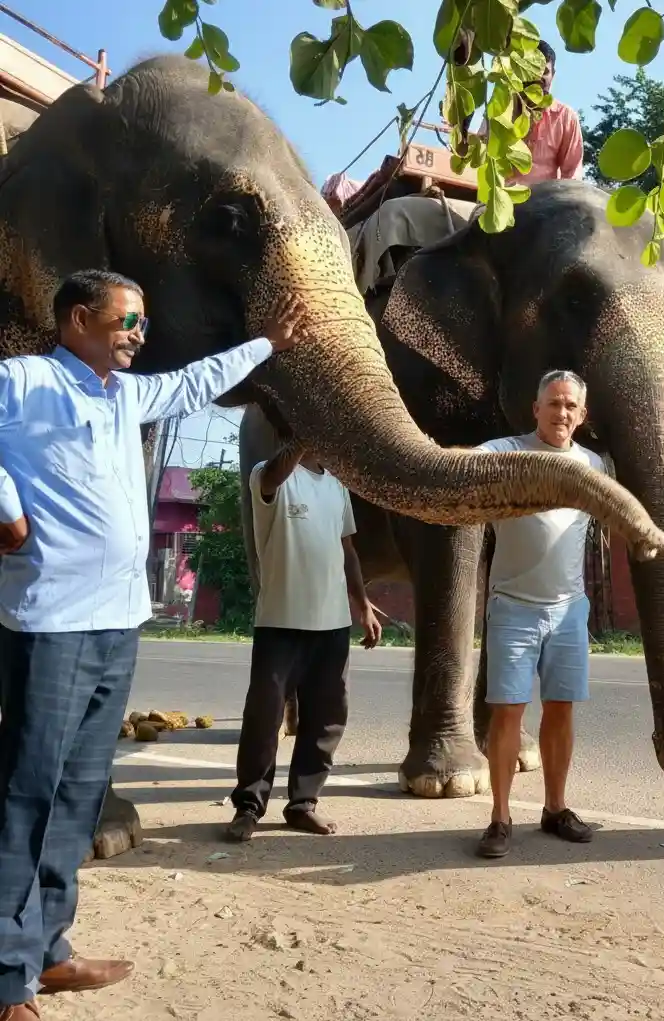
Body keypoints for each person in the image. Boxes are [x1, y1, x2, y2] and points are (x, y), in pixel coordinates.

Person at [0, 269, 307, 1020]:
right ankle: (7, 976)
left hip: (116, 622)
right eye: (126, 321)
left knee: (77, 794)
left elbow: (199, 380)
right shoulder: (25, 380)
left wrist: (269, 342)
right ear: (78, 319)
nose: (140, 334)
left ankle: (51, 950)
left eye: (140, 322)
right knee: (27, 795)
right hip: (49, 622)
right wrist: (5, 509)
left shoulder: (128, 394)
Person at [474, 370, 603, 859]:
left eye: (570, 406)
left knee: (561, 709)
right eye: (553, 404)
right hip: (513, 607)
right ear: (536, 408)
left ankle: (555, 808)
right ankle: (500, 817)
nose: (562, 413)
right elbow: (464, 466)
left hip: (569, 609)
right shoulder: (503, 451)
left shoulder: (593, 464)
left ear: (582, 414)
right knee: (507, 712)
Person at [225, 444, 383, 842]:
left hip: (332, 624)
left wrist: (362, 605)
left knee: (326, 719)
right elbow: (274, 475)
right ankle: (248, 807)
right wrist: (303, 434)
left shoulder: (336, 485)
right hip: (280, 622)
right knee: (264, 718)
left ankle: (302, 804)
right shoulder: (269, 473)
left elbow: (347, 551)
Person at [473, 40, 583, 186]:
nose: (538, 78)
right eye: (533, 71)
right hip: (503, 198)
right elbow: (482, 151)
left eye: (545, 72)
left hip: (546, 204)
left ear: (553, 75)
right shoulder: (501, 107)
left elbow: (572, 176)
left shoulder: (565, 117)